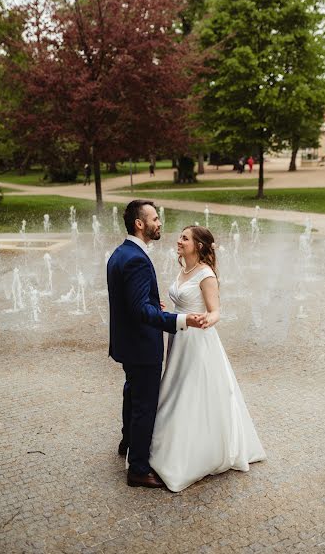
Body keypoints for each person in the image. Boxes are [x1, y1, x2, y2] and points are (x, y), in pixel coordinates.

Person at [149, 225, 266, 492]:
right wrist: (162, 308)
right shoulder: (184, 269)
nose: (179, 241)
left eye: (185, 238)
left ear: (199, 245)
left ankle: (195, 454)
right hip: (179, 337)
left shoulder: (206, 274)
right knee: (175, 388)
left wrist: (207, 320)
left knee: (192, 392)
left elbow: (215, 312)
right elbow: (181, 299)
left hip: (197, 340)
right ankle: (166, 446)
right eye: (180, 236)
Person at [107, 200, 204, 489]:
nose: (160, 224)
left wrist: (149, 302)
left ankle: (127, 442)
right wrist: (179, 319)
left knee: (132, 392)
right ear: (140, 224)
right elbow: (140, 312)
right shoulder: (136, 258)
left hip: (127, 343)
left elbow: (132, 302)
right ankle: (138, 468)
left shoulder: (120, 253)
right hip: (141, 345)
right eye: (155, 219)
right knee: (145, 404)